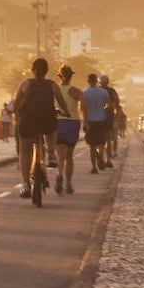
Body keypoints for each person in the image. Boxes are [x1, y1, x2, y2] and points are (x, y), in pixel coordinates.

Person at [12, 58, 70, 198]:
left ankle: (25, 184)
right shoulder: (52, 85)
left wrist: (16, 115)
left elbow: (16, 105)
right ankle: (50, 153)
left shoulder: (25, 84)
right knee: (51, 129)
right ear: (47, 71)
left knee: (25, 151)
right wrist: (66, 112)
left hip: (28, 120)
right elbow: (62, 103)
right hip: (46, 119)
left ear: (33, 70)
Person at [53, 64, 83, 195]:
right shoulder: (76, 91)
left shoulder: (54, 90)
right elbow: (83, 107)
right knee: (69, 156)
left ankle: (59, 174)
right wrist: (86, 122)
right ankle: (68, 184)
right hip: (72, 123)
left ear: (59, 76)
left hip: (58, 122)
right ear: (71, 76)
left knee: (60, 156)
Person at [81, 74, 112, 174]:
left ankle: (94, 167)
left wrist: (85, 121)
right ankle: (101, 156)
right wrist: (102, 109)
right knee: (101, 142)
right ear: (96, 81)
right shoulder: (103, 92)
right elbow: (109, 105)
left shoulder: (85, 93)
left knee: (92, 145)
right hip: (101, 119)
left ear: (88, 81)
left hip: (90, 120)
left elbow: (83, 108)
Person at [99, 74, 120, 167]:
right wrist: (117, 112)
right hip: (108, 117)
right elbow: (117, 102)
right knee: (108, 139)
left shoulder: (97, 91)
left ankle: (100, 158)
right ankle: (108, 160)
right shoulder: (111, 91)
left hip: (97, 117)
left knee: (99, 139)